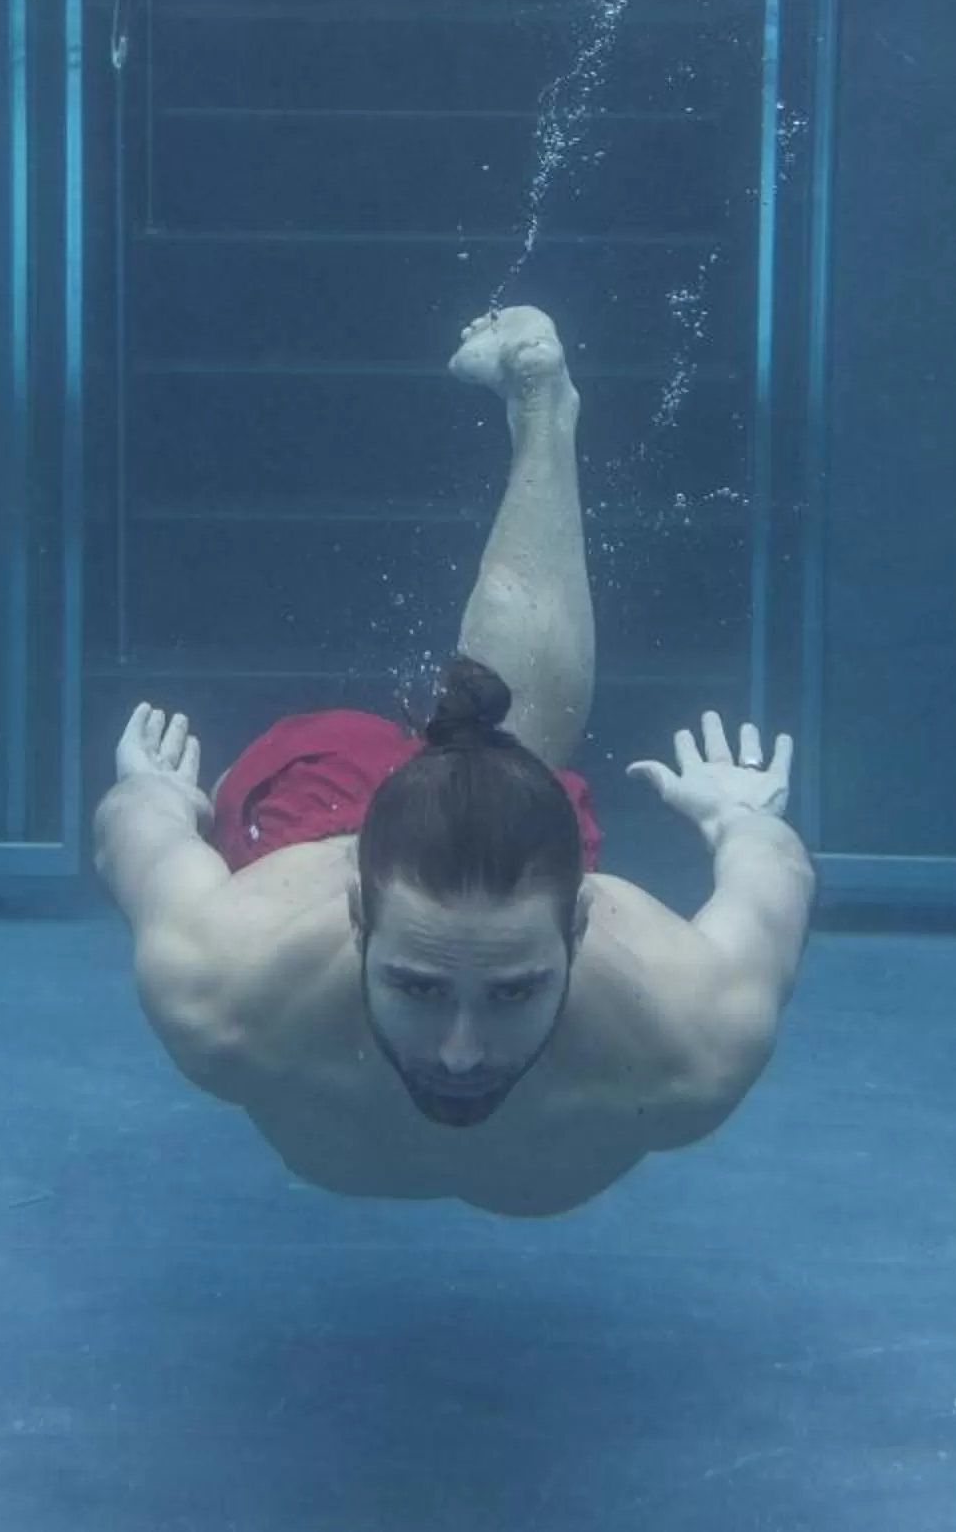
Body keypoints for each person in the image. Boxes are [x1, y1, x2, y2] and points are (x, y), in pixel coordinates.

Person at [89, 305, 815, 1216]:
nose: (461, 1052)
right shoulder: (223, 981)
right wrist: (155, 794)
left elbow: (775, 875)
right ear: (358, 913)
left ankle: (545, 404)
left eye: (513, 991)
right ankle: (541, 413)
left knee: (522, 753)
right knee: (519, 745)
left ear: (580, 926)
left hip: (471, 878)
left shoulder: (691, 1033)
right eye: (417, 986)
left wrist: (741, 820)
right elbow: (134, 839)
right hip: (318, 830)